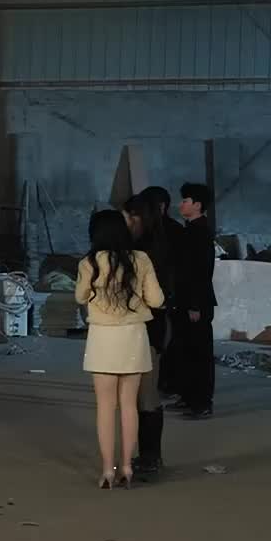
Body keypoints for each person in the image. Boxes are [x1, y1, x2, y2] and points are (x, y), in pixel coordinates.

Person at [75, 208, 165, 488]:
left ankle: (107, 470)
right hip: (133, 337)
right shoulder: (141, 259)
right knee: (129, 405)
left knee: (105, 407)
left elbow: (80, 296)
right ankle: (127, 467)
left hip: (102, 338)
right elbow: (157, 299)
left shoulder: (89, 262)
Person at [125, 190, 173, 481]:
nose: (128, 223)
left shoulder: (149, 253)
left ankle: (151, 457)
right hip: (143, 328)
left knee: (147, 395)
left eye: (131, 217)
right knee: (140, 396)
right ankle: (147, 455)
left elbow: (158, 298)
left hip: (150, 328)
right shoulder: (143, 247)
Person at [171, 182, 216, 420]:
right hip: (185, 300)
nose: (181, 205)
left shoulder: (201, 232)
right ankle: (188, 397)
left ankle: (202, 402)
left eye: (185, 201)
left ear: (197, 205)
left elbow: (201, 271)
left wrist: (195, 304)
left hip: (197, 302)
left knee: (200, 353)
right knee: (186, 350)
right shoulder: (189, 230)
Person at [141, 186, 184, 396]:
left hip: (158, 294)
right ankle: (162, 382)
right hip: (162, 294)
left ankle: (160, 383)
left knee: (157, 341)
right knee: (161, 341)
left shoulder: (150, 232)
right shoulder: (172, 230)